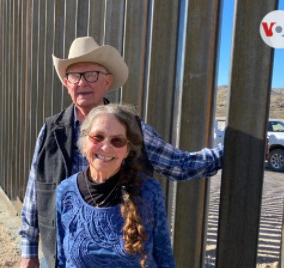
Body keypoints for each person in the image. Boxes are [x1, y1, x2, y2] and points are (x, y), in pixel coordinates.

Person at [19, 36, 223, 268]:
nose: (81, 82)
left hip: (125, 251)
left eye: (91, 75)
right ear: (67, 83)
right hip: (62, 253)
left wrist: (230, 152)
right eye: (74, 76)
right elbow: (35, 190)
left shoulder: (132, 128)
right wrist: (29, 250)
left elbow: (180, 165)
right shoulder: (51, 130)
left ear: (107, 81)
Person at [56, 104, 175, 267]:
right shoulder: (66, 191)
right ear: (84, 142)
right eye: (97, 137)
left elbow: (164, 258)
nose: (105, 147)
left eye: (117, 140)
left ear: (127, 150)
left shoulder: (148, 191)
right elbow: (62, 259)